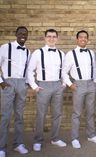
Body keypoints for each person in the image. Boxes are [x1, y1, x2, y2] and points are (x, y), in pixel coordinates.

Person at [27, 29, 66, 151]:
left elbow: (64, 71)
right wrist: (34, 86)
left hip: (57, 86)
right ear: (45, 38)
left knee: (57, 114)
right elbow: (29, 71)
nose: (51, 38)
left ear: (57, 38)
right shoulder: (38, 53)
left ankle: (55, 138)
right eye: (49, 36)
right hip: (43, 86)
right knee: (41, 114)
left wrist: (64, 83)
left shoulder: (61, 54)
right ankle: (38, 140)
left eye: (54, 36)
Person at [62, 30, 96, 149]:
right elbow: (64, 72)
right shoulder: (70, 54)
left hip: (90, 84)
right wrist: (70, 84)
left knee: (91, 111)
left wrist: (94, 81)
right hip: (78, 85)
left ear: (88, 39)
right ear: (77, 39)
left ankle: (91, 135)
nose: (83, 39)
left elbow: (95, 67)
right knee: (77, 113)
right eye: (81, 37)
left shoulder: (91, 52)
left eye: (85, 37)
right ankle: (74, 138)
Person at [0, 26, 30, 157]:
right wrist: (1, 82)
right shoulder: (5, 47)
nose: (23, 35)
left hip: (22, 83)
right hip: (8, 83)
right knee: (5, 116)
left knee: (19, 116)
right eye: (20, 33)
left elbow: (28, 70)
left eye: (25, 34)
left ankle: (18, 144)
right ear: (16, 34)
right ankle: (1, 147)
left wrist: (27, 83)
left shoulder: (28, 52)